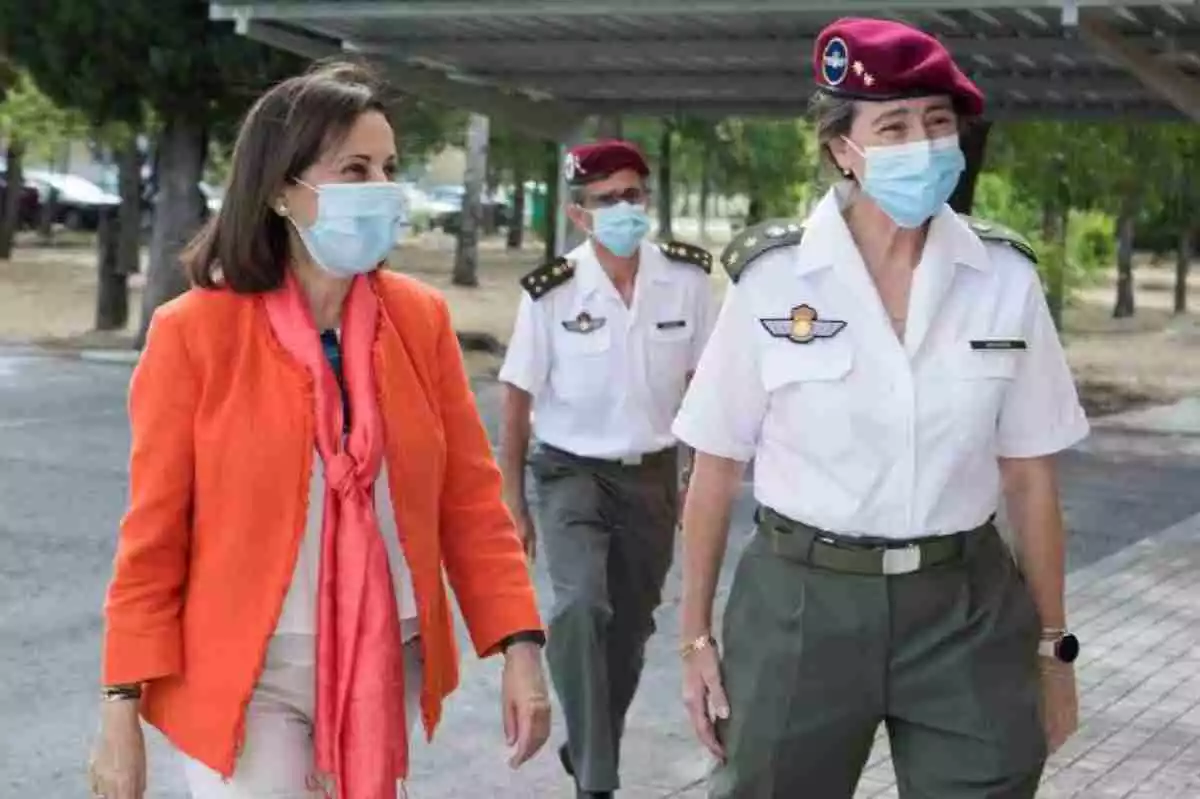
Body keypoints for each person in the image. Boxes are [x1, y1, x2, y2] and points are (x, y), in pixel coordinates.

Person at [87, 61, 551, 799]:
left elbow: (470, 502)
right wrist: (121, 708)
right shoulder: (193, 333)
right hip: (246, 674)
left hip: (381, 656)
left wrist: (520, 647)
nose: (382, 189)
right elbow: (153, 534)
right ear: (280, 190)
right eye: (355, 169)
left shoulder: (420, 321)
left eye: (389, 168)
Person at [672, 17, 1089, 799]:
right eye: (892, 126)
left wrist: (1050, 648)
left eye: (937, 122)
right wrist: (694, 636)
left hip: (964, 607)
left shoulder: (1003, 279)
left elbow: (1031, 477)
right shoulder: (774, 279)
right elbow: (716, 463)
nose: (923, 144)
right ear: (841, 149)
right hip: (800, 603)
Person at [497, 140, 718, 798]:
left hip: (651, 475)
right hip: (570, 474)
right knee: (580, 607)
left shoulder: (687, 278)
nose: (624, 207)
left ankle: (590, 743)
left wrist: (697, 475)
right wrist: (514, 501)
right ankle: (597, 780)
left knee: (628, 629)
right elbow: (516, 401)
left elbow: (709, 388)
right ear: (579, 214)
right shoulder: (552, 291)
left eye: (633, 194)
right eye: (607, 199)